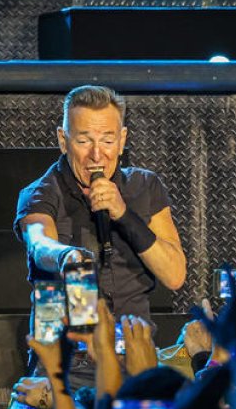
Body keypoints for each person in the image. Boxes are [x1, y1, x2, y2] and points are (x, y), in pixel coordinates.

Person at [14, 85, 187, 324]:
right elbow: (39, 243)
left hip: (133, 346)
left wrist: (124, 215)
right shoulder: (39, 193)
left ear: (122, 140)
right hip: (66, 349)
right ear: (64, 141)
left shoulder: (144, 185)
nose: (97, 155)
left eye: (107, 140)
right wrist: (66, 256)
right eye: (84, 141)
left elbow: (175, 276)